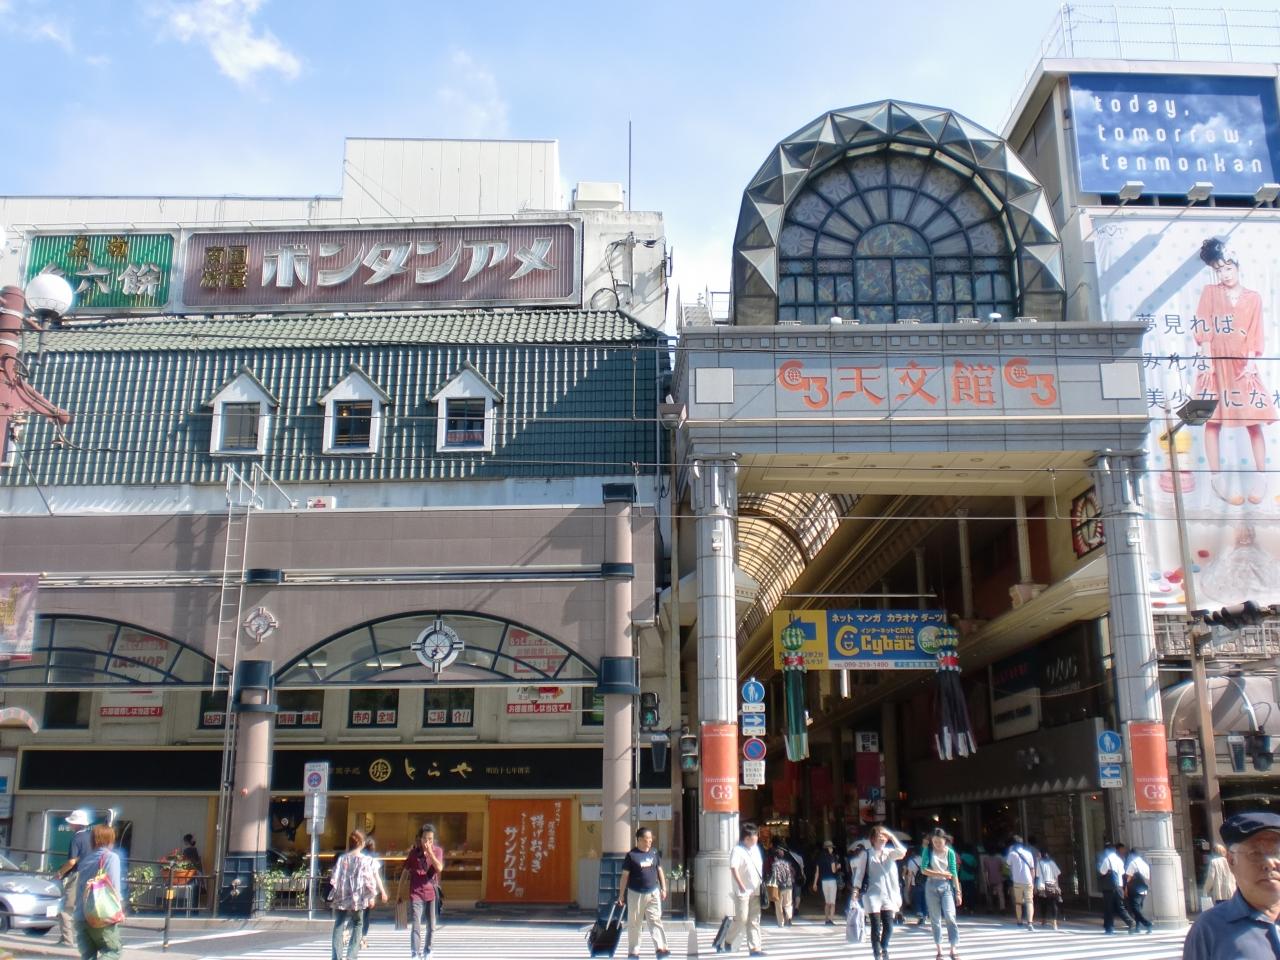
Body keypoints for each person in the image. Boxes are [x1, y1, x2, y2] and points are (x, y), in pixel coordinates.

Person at [1192, 236, 1276, 506]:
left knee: (1253, 419)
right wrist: (1206, 360)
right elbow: (1203, 326)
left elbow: (1254, 332)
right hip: (1215, 363)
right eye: (1220, 270)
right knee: (1212, 420)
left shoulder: (1253, 298)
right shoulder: (1210, 292)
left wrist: (1251, 362)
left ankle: (1261, 477)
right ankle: (1216, 478)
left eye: (1228, 268)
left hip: (1242, 365)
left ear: (1237, 267)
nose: (1225, 274)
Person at [1183, 811, 1280, 958]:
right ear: (1231, 860)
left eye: (1278, 852)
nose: (1270, 863)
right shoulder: (1209, 929)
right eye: (1255, 854)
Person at [850, 825, 907, 960]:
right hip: (872, 894)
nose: (882, 838)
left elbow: (902, 852)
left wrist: (891, 836)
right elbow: (859, 874)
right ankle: (877, 953)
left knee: (889, 926)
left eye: (884, 836)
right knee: (875, 927)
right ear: (873, 838)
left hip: (888, 894)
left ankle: (883, 947)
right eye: (879, 835)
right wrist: (856, 890)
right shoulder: (866, 854)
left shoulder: (890, 853)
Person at [617, 826, 670, 960]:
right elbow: (624, 876)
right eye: (647, 839)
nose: (649, 842)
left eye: (651, 839)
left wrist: (664, 888)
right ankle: (633, 952)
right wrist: (621, 895)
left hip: (653, 893)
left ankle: (661, 948)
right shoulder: (631, 855)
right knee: (635, 923)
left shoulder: (654, 853)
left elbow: (659, 870)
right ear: (639, 840)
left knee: (655, 920)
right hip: (636, 894)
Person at [75, 823, 123, 960]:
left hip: (81, 915)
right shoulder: (111, 858)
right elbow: (113, 886)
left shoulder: (85, 860)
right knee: (113, 952)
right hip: (101, 915)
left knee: (88, 955)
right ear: (110, 839)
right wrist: (119, 909)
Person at [398, 823, 445, 960]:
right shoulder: (414, 853)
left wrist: (430, 853)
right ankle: (415, 952)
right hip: (416, 892)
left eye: (430, 839)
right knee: (416, 923)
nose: (427, 842)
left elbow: (439, 868)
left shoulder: (437, 851)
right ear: (420, 838)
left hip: (431, 892)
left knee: (431, 924)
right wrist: (399, 892)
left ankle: (428, 950)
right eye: (425, 838)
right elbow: (405, 873)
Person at [330, 828, 378, 960]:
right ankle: (351, 956)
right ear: (362, 843)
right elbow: (369, 880)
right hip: (358, 897)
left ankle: (336, 956)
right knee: (358, 923)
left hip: (342, 896)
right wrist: (372, 896)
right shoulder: (365, 860)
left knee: (339, 923)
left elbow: (334, 877)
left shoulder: (342, 858)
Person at [722, 822, 764, 957]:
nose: (756, 839)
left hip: (756, 890)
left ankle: (755, 948)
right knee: (742, 919)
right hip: (742, 892)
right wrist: (741, 885)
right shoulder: (737, 850)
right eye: (754, 837)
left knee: (754, 920)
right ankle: (727, 940)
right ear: (746, 838)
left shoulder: (756, 850)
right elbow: (733, 868)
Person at [921, 828, 961, 960]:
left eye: (939, 842)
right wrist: (941, 873)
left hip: (946, 886)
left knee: (950, 916)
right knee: (935, 918)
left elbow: (953, 872)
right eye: (935, 842)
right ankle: (939, 949)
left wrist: (958, 892)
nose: (937, 844)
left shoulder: (950, 852)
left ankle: (953, 948)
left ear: (945, 840)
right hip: (931, 885)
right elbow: (923, 869)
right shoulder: (928, 850)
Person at [57, 809, 94, 946]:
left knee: (66, 908)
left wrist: (60, 872)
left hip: (77, 875)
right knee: (83, 909)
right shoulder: (91, 837)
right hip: (90, 875)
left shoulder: (76, 838)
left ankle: (67, 940)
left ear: (75, 824)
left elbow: (72, 862)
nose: (70, 825)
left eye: (71, 822)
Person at [1098, 839, 1135, 934]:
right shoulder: (1119, 860)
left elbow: (1102, 871)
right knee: (1120, 907)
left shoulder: (1107, 859)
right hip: (1119, 887)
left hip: (1109, 888)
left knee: (1108, 908)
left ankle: (1109, 928)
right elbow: (1122, 873)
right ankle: (1131, 922)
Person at [359, 836, 389, 950]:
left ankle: (347, 932)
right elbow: (376, 877)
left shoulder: (359, 857)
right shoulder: (373, 858)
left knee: (357, 914)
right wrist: (382, 892)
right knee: (366, 915)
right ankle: (363, 939)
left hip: (358, 890)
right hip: (368, 891)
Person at [1005, 835, 1037, 930]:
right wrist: (1033, 881)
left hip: (1017, 881)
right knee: (1029, 901)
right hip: (1028, 881)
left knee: (1018, 902)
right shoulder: (1028, 853)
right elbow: (1032, 869)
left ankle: (1019, 921)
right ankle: (1030, 922)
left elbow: (1007, 866)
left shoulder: (1012, 854)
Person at [811, 838, 843, 925]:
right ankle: (831, 920)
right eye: (831, 848)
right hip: (832, 881)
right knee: (832, 903)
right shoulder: (832, 857)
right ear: (828, 848)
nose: (832, 849)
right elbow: (833, 870)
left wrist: (814, 883)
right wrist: (838, 867)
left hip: (823, 882)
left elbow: (817, 872)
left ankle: (826, 919)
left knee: (827, 902)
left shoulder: (819, 858)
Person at [1124, 845, 1155, 934]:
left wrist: (1126, 888)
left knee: (1134, 909)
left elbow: (1128, 877)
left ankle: (1147, 924)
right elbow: (1148, 878)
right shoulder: (1144, 864)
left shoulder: (1133, 863)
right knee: (1138, 909)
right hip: (1144, 889)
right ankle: (1137, 927)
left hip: (1135, 889)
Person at [767, 838, 796, 927]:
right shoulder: (788, 863)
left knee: (778, 905)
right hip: (789, 886)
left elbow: (775, 876)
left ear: (775, 857)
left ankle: (781, 922)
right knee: (788, 904)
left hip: (779, 887)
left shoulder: (775, 865)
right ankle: (789, 917)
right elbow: (792, 873)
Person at [1035, 848, 1062, 931]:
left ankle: (1043, 920)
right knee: (1053, 904)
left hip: (1042, 886)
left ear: (1041, 855)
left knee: (1043, 904)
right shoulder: (1052, 863)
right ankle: (1054, 923)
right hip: (1052, 886)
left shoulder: (1039, 863)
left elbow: (1037, 875)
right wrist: (1057, 885)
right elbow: (1057, 874)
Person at [903, 844, 927, 925]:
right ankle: (925, 915)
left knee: (917, 900)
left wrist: (908, 885)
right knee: (924, 900)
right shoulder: (924, 860)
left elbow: (910, 874)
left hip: (915, 884)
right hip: (925, 883)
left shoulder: (911, 862)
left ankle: (919, 914)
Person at [980, 847, 1005, 914]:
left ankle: (990, 909)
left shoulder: (986, 860)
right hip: (999, 878)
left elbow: (986, 871)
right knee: (1000, 894)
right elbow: (1001, 869)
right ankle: (1002, 908)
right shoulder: (999, 859)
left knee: (989, 895)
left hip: (990, 879)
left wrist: (986, 880)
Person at [957, 845, 978, 915]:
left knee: (963, 893)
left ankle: (964, 907)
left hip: (962, 878)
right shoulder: (972, 857)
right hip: (971, 878)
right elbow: (975, 866)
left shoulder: (960, 856)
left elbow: (958, 867)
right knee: (971, 893)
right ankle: (971, 908)